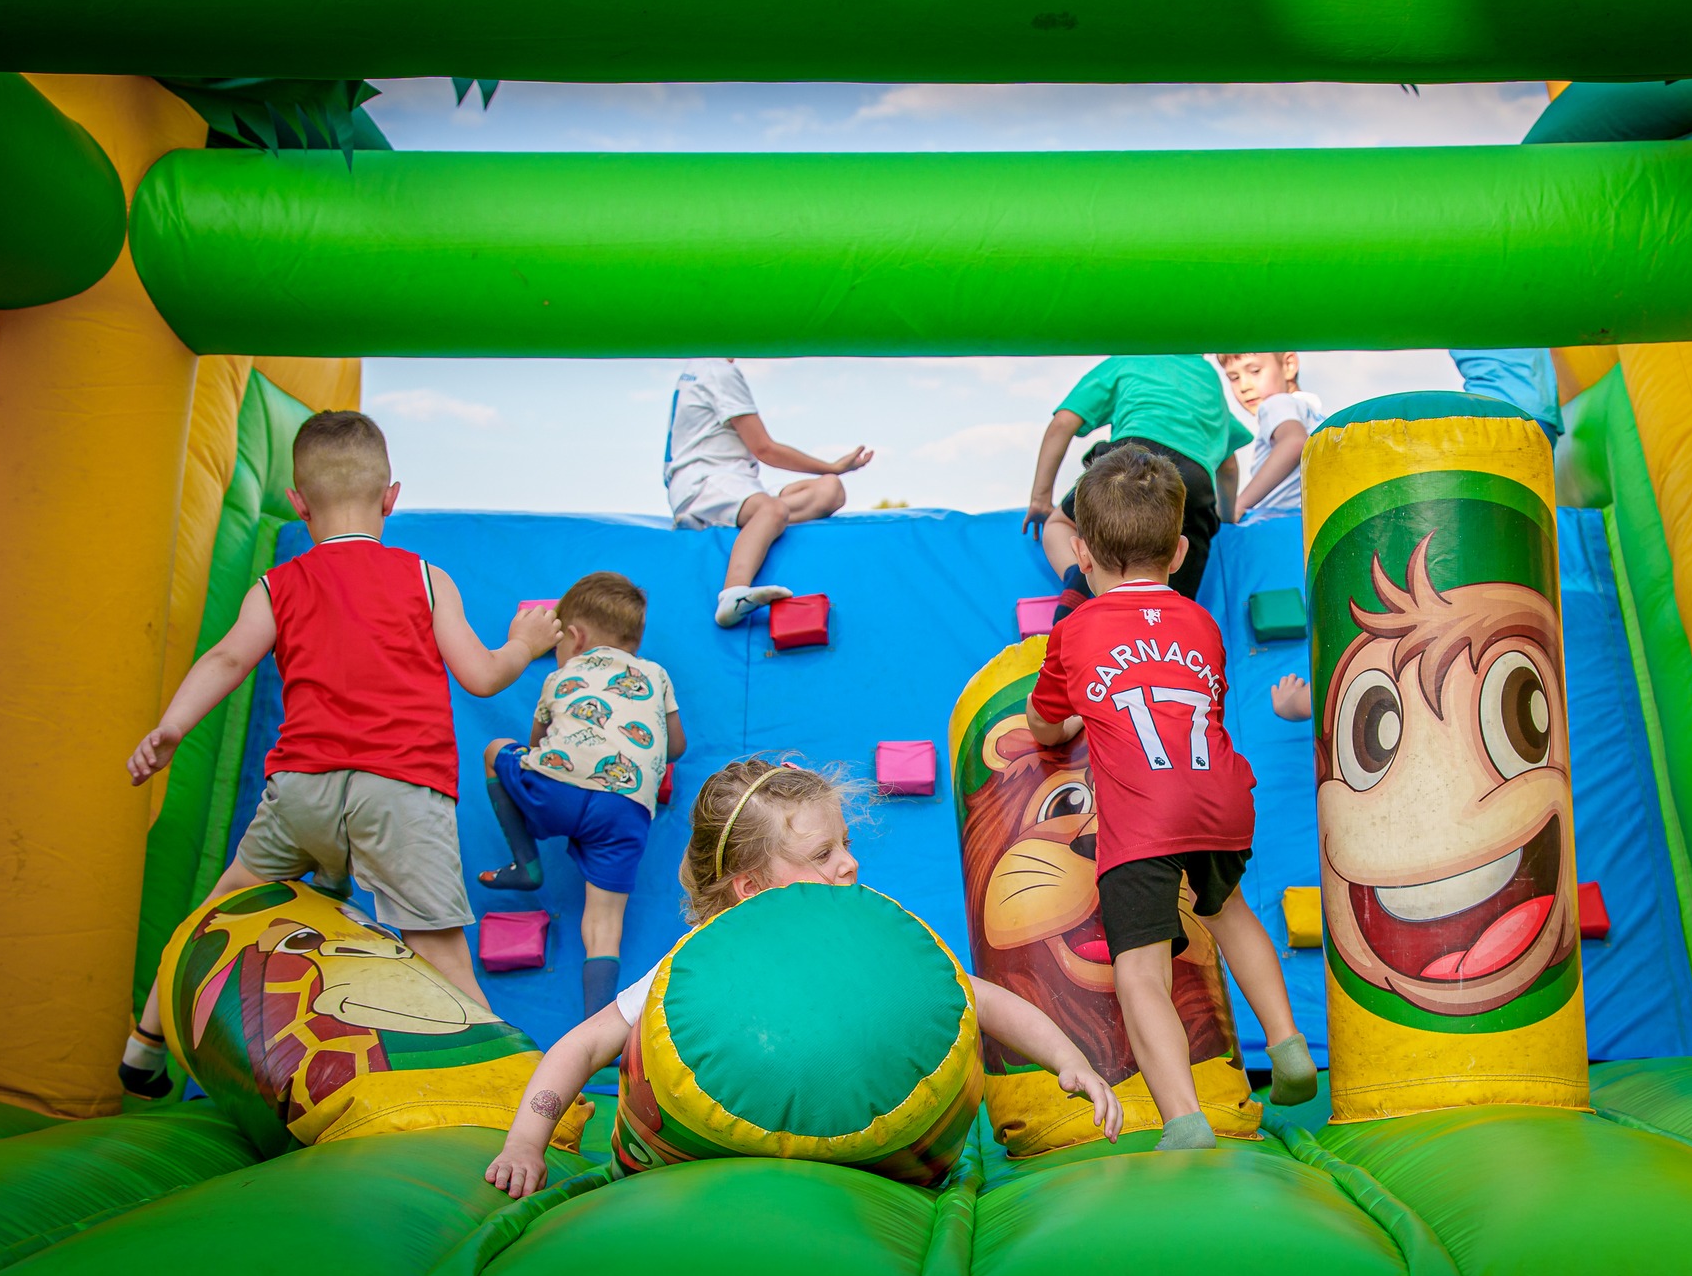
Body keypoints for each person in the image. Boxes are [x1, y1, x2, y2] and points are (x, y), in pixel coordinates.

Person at [119, 410, 561, 1097]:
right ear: (391, 498)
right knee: (441, 954)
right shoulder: (425, 578)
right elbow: (479, 675)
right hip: (400, 793)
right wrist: (524, 645)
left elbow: (228, 657)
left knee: (220, 910)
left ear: (298, 502)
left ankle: (143, 1049)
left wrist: (173, 727)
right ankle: (524, 1097)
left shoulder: (277, 584)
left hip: (302, 790)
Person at [483, 758, 1124, 1196]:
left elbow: (977, 999)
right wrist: (526, 1143)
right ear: (751, 888)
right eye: (822, 854)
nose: (848, 865)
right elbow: (584, 1044)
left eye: (846, 844)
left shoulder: (877, 946)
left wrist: (1069, 1060)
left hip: (874, 1156)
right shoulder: (695, 975)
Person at [1022, 444, 1317, 1151]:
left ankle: (1184, 1119)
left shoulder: (1073, 631)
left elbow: (1043, 722)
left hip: (1143, 818)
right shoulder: (1201, 625)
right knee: (1229, 911)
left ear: (1083, 554)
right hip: (1220, 797)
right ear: (1181, 551)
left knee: (1141, 971)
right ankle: (1288, 1044)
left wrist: (1072, 718)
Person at [475, 571, 684, 1020]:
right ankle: (597, 1036)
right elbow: (677, 746)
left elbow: (536, 745)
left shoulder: (562, 675)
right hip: (625, 809)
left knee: (496, 751)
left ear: (575, 636)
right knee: (605, 926)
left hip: (559, 792)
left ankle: (525, 863)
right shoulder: (656, 674)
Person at [1022, 355, 1250, 619]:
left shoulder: (1131, 357)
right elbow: (1228, 466)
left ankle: (1078, 578)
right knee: (1170, 604)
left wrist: (1040, 499)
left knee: (1059, 525)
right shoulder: (1207, 377)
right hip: (1194, 482)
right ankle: (1165, 627)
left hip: (1133, 461)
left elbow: (1063, 422)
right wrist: (1227, 516)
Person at [664, 359, 874, 627]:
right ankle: (733, 592)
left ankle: (743, 523)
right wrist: (832, 466)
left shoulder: (702, 366)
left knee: (830, 490)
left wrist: (831, 474)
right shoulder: (718, 369)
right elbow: (764, 449)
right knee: (771, 509)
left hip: (737, 480)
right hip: (704, 480)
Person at [1216, 352, 1321, 523]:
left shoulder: (1275, 403)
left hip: (1277, 522)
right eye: (1234, 378)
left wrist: (1240, 504)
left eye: (1255, 371)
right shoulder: (1313, 413)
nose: (1244, 386)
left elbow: (1294, 442)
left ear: (1289, 365)